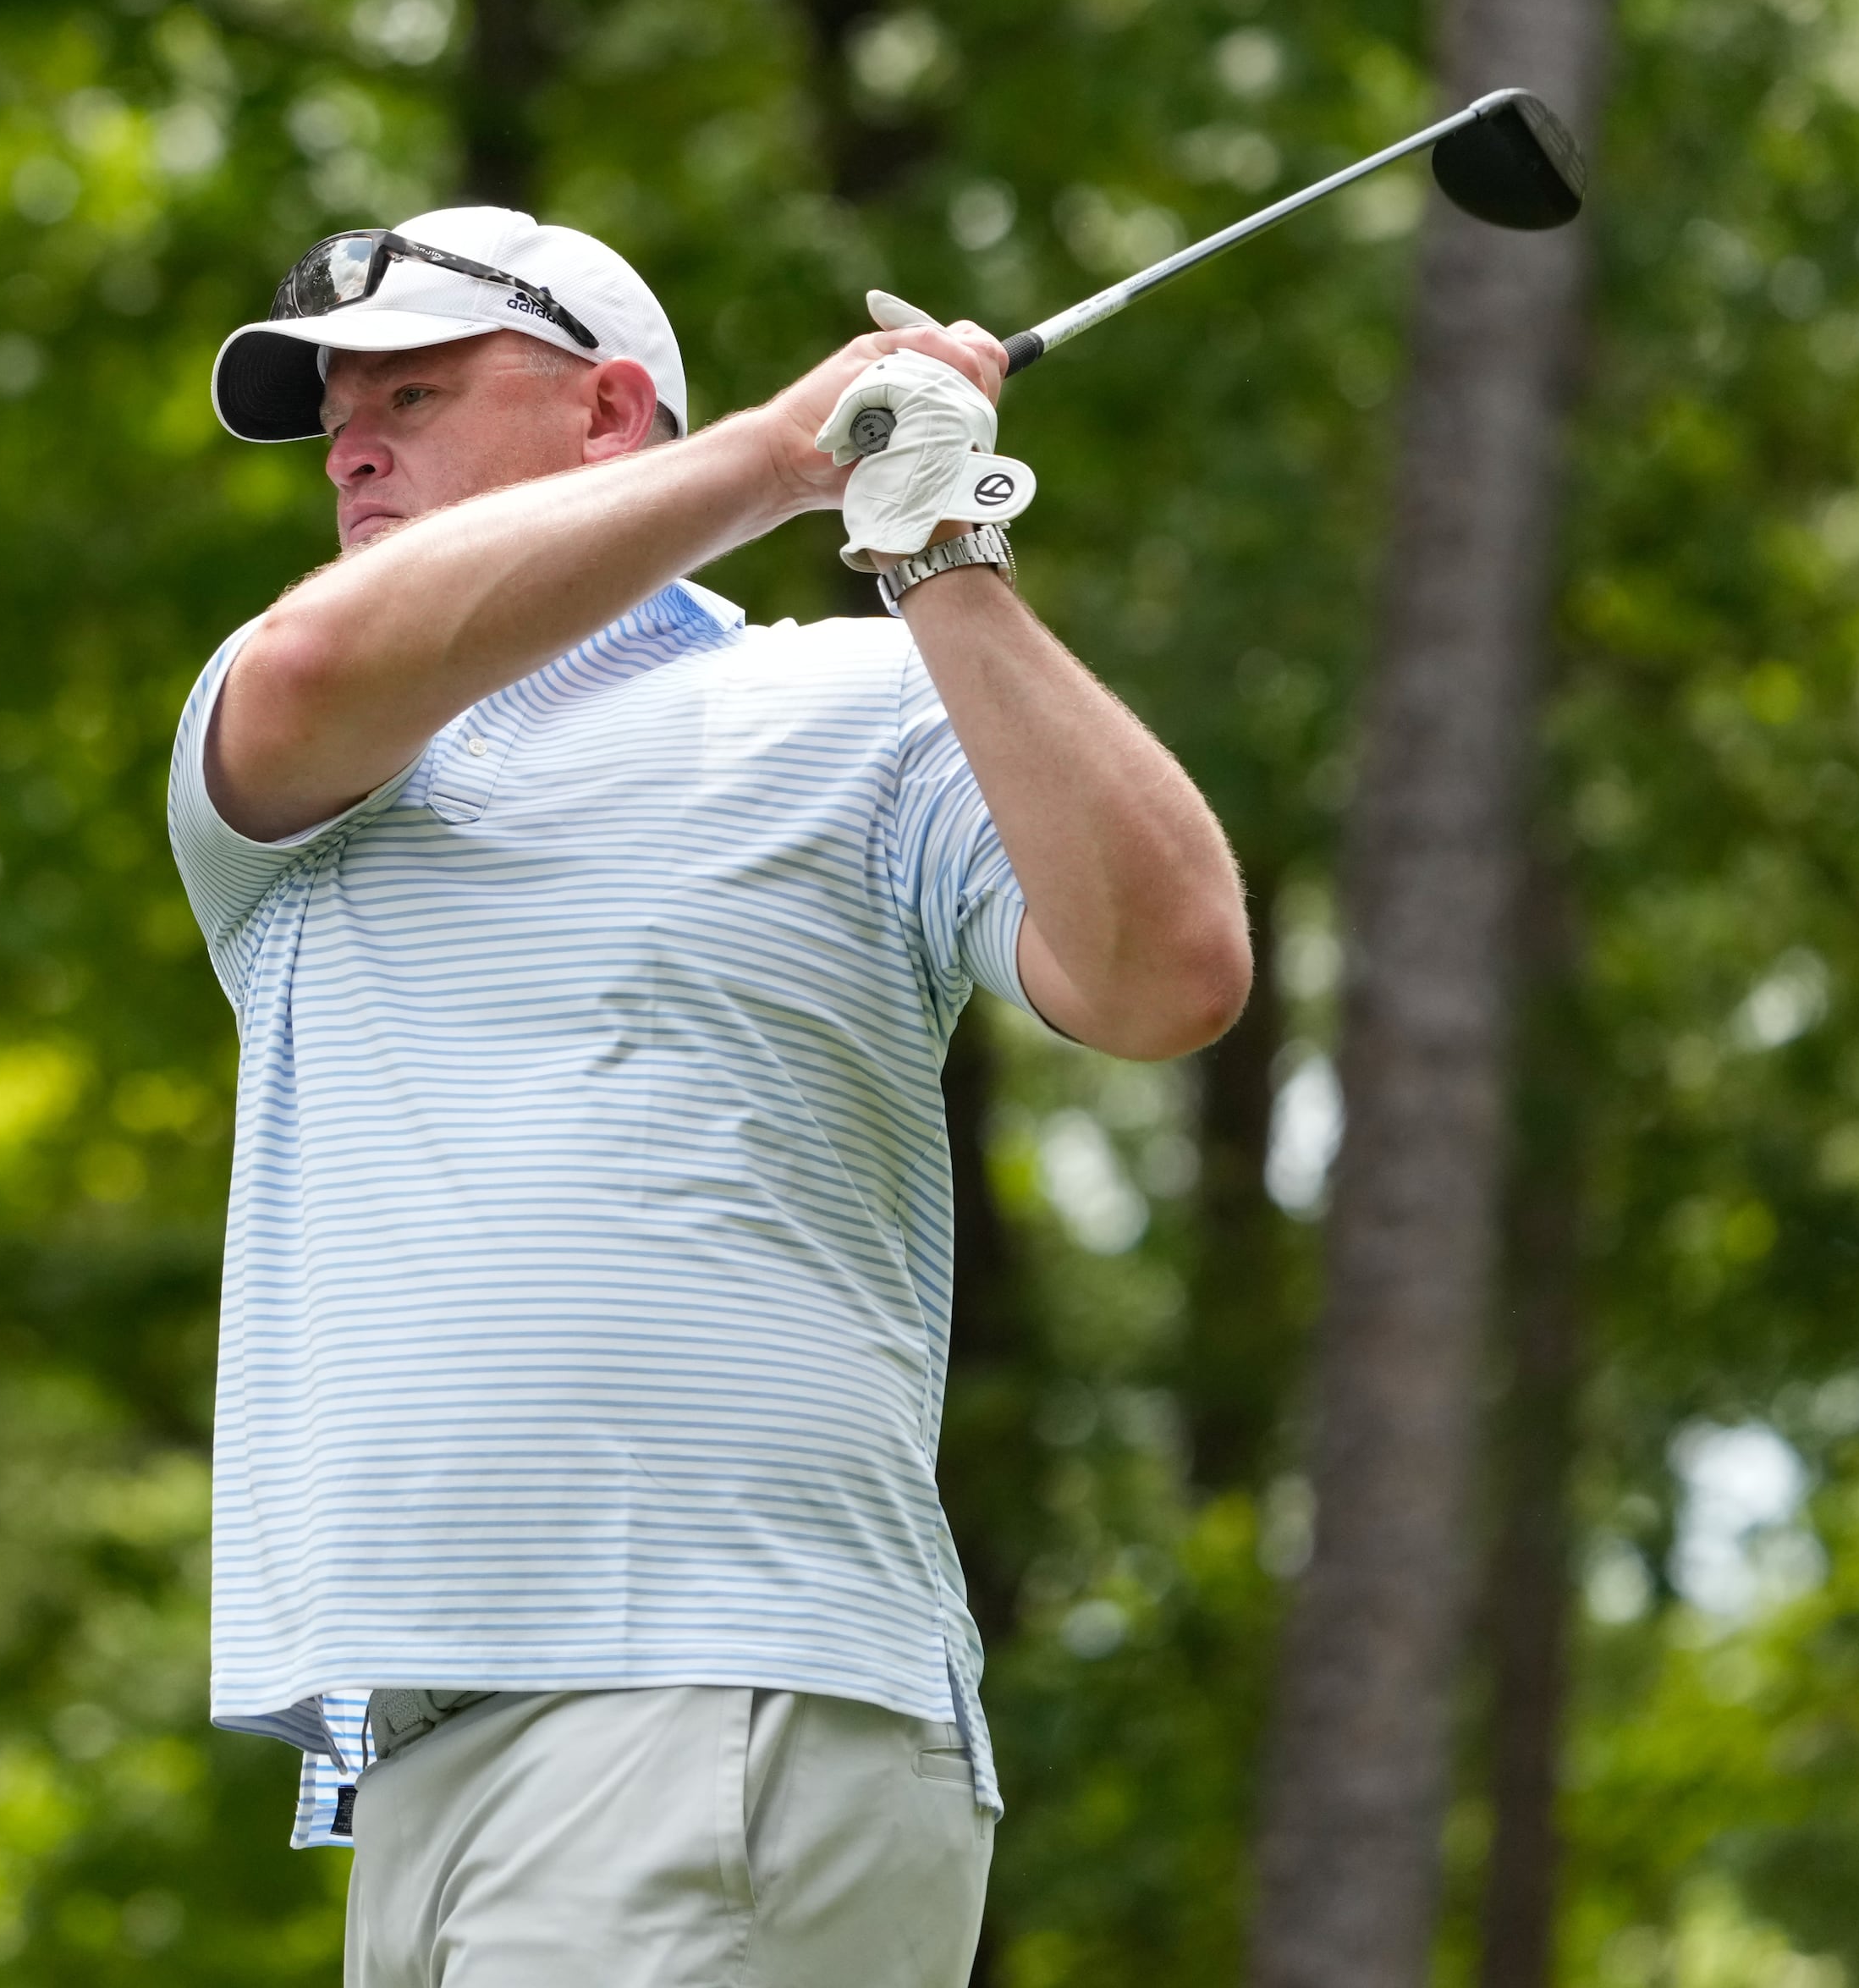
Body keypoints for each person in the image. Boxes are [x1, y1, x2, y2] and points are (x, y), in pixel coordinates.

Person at [168, 205, 1250, 1987]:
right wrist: (783, 451)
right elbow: (309, 672)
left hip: (720, 1685)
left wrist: (943, 556)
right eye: (336, 417)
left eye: (417, 393)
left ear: (606, 414)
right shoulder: (310, 747)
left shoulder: (860, 703)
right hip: (418, 1762)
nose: (351, 441)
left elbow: (1165, 975)